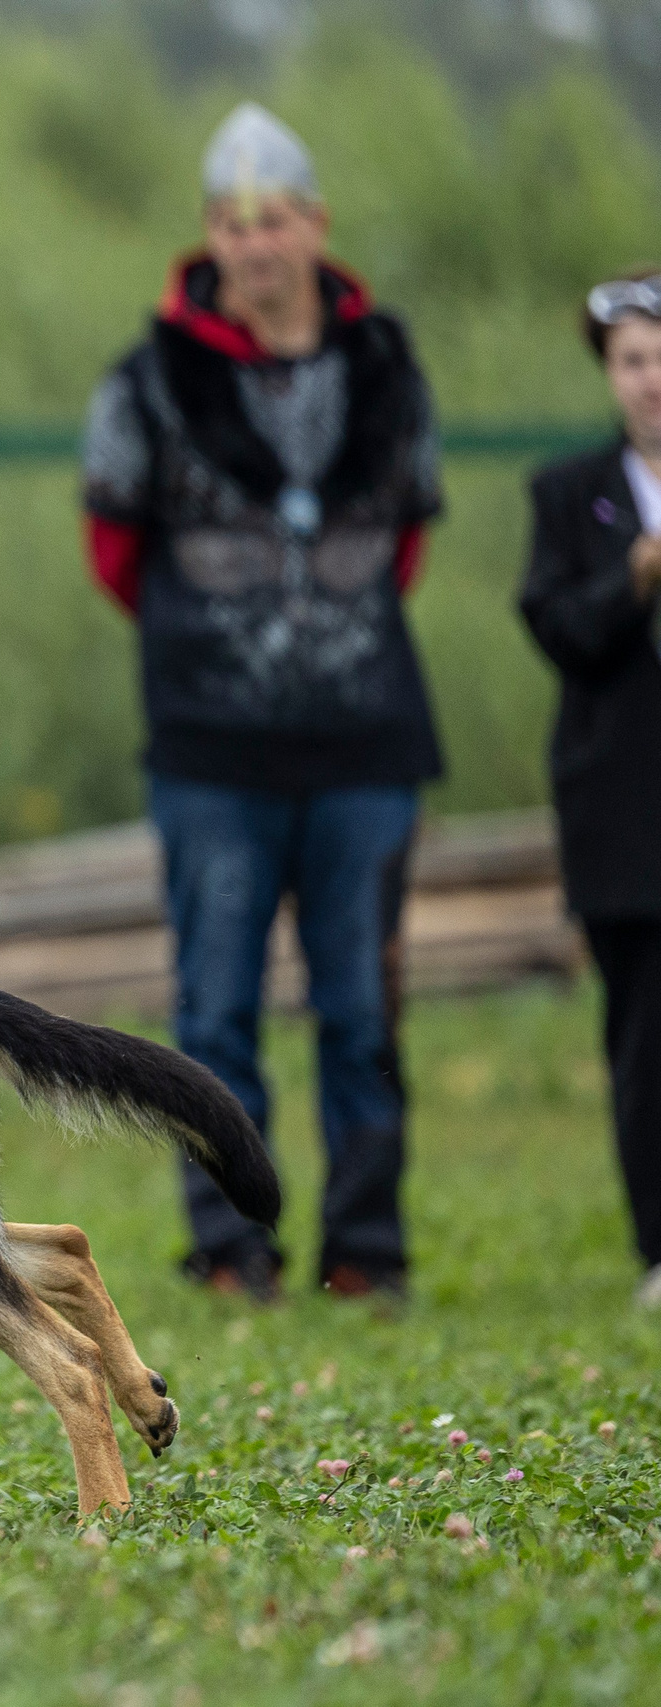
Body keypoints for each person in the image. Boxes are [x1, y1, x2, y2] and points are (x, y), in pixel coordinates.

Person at [78, 104, 445, 1303]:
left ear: (315, 226)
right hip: (211, 756)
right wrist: (225, 656)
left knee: (361, 1008)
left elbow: (407, 542)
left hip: (365, 746)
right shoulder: (143, 381)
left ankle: (365, 1249)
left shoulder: (387, 365)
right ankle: (229, 1247)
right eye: (233, 223)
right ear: (208, 237)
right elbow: (113, 552)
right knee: (216, 1010)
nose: (255, 243)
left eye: (275, 219)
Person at [518, 270, 661, 1310]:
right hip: (626, 811)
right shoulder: (572, 495)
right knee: (645, 1034)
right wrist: (636, 576)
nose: (652, 381)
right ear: (609, 375)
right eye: (633, 362)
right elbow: (558, 629)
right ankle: (660, 1245)